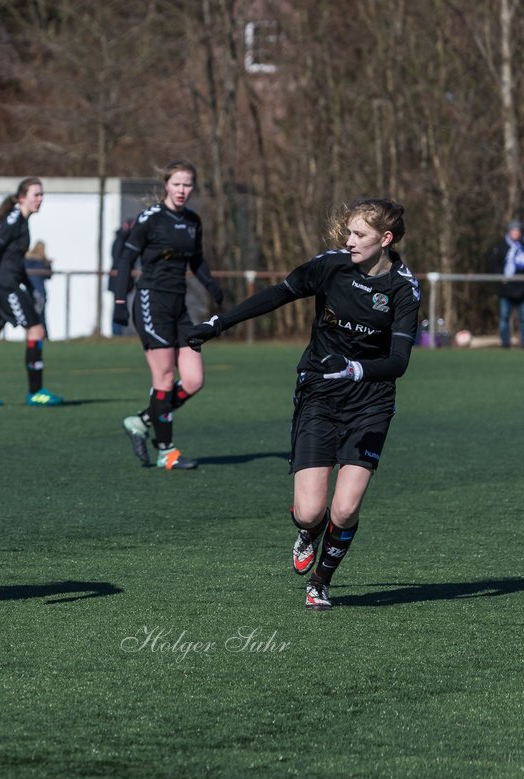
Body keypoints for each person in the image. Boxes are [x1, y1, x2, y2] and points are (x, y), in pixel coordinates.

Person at [187, 198, 418, 611]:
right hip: (318, 393)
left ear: (385, 240)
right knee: (312, 512)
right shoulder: (330, 265)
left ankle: (320, 583)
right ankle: (308, 531)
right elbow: (278, 294)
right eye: (348, 232)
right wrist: (217, 324)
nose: (349, 241)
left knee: (344, 510)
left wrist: (354, 370)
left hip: (370, 402)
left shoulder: (403, 288)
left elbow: (398, 362)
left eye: (359, 235)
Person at [111, 159, 225, 470]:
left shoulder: (192, 221)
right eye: (177, 184)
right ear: (166, 186)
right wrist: (120, 301)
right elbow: (126, 258)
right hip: (151, 302)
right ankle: (167, 451)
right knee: (162, 379)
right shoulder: (150, 218)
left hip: (179, 307)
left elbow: (197, 261)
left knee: (194, 379)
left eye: (187, 185)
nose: (182, 190)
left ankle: (141, 420)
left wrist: (212, 286)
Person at [0, 177, 63, 407]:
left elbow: (16, 262)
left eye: (42, 195)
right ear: (22, 198)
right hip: (5, 287)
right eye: (36, 195)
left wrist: (31, 290)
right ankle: (36, 392)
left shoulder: (22, 221)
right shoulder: (14, 219)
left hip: (7, 284)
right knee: (36, 330)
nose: (40, 199)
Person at [489, 219, 524, 348]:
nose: (515, 233)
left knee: (523, 318)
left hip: (522, 289)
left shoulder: (523, 246)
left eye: (518, 230)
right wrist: (501, 278)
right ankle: (505, 344)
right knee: (504, 317)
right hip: (506, 289)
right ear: (509, 231)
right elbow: (494, 264)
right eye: (513, 230)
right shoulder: (501, 246)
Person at [24, 240, 53, 324]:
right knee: (41, 316)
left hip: (29, 290)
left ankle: (31, 335)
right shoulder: (43, 261)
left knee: (30, 316)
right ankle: (43, 335)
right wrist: (49, 264)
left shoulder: (26, 259)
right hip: (40, 291)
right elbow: (49, 275)